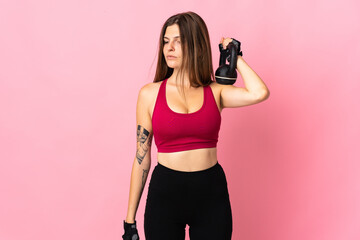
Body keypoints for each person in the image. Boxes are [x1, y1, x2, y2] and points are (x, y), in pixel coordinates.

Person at [123, 11, 270, 240]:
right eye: (165, 42)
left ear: (195, 46)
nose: (169, 48)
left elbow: (259, 92)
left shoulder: (216, 91)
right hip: (165, 193)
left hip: (210, 192)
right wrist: (129, 220)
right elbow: (142, 158)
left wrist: (235, 57)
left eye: (178, 42)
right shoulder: (149, 94)